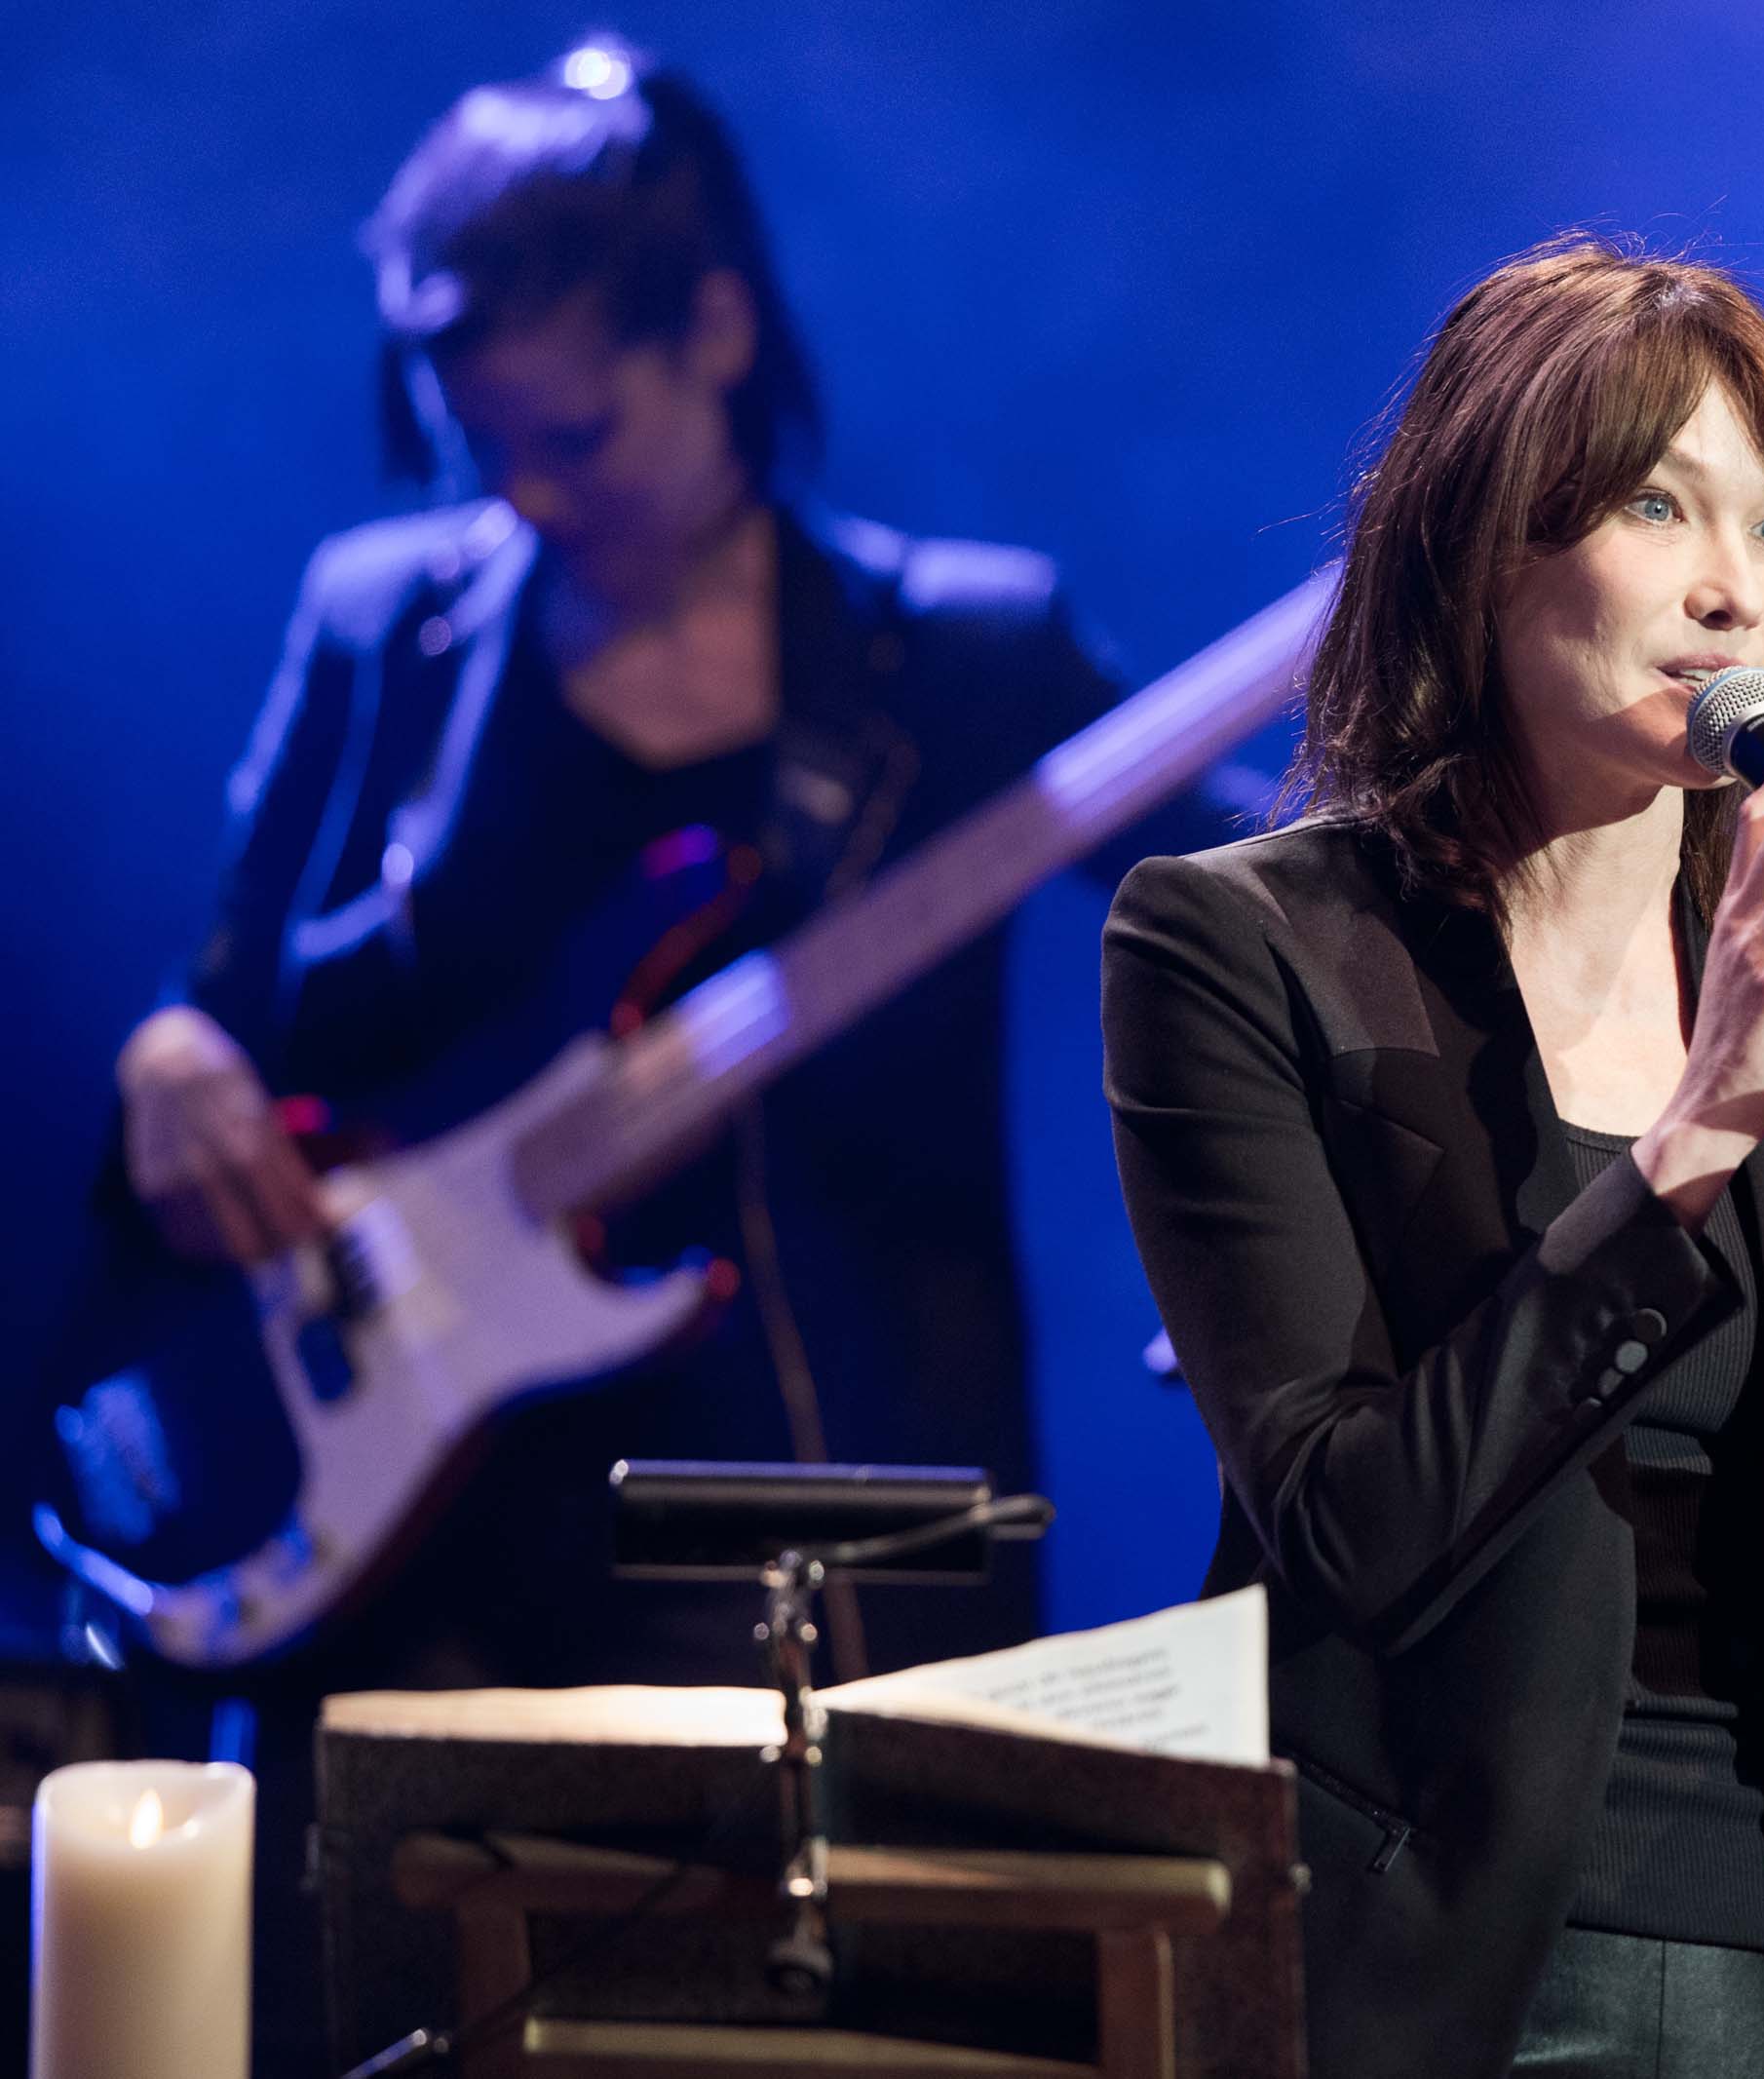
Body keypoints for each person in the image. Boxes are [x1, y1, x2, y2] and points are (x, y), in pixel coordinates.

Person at [87, 38, 1232, 2072]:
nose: (527, 493)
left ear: (714, 325)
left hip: (805, 1551)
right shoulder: (379, 623)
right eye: (480, 442)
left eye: (576, 430)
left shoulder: (950, 651)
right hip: (402, 1544)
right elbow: (224, 1009)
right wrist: (171, 1061)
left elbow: (1256, 894)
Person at [1102, 238, 1764, 2079]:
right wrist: (1689, 1137)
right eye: (1656, 505)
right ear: (1483, 542)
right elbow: (1354, 1526)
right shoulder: (1248, 946)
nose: (1733, 595)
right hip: (1434, 1975)